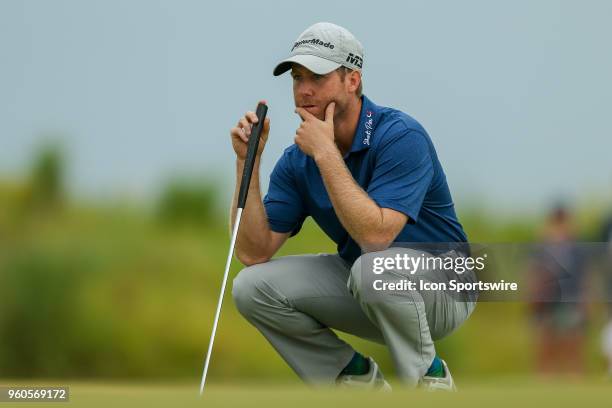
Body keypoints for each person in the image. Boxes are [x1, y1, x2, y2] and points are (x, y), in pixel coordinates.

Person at [228, 22, 476, 391]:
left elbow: (376, 237)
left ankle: (431, 383)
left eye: (318, 76)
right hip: (370, 282)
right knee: (251, 287)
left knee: (371, 269)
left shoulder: (400, 136)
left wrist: (326, 153)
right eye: (297, 77)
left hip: (445, 285)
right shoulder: (298, 160)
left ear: (352, 80)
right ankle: (356, 382)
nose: (304, 89)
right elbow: (251, 250)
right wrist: (248, 163)